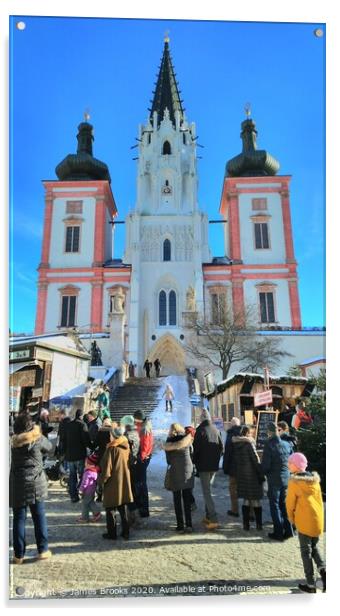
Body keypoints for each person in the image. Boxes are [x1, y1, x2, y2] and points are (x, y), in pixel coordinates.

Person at [10, 412, 53, 564]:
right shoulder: (38, 438)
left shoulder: (13, 442)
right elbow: (50, 447)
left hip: (18, 483)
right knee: (39, 516)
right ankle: (42, 550)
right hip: (36, 483)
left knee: (19, 519)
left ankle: (18, 555)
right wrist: (38, 431)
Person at [286, 452, 326, 593]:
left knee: (305, 551)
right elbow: (319, 501)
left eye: (289, 463)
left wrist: (290, 517)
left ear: (296, 466)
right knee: (314, 547)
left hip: (303, 520)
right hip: (316, 519)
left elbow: (290, 503)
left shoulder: (294, 482)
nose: (287, 465)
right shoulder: (314, 480)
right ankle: (324, 571)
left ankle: (310, 584)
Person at [261, 421, 294, 541]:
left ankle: (278, 533)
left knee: (274, 505)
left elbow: (266, 466)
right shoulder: (286, 444)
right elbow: (291, 460)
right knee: (284, 505)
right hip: (286, 478)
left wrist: (261, 473)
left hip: (274, 479)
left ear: (269, 433)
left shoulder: (269, 445)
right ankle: (289, 530)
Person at [100, 426, 133, 540]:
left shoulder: (112, 449)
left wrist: (101, 482)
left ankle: (112, 533)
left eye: (110, 435)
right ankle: (126, 532)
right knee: (123, 508)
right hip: (124, 481)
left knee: (110, 509)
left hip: (113, 483)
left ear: (113, 436)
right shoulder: (126, 446)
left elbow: (107, 470)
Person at [192, 409, 224, 530]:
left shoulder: (200, 431)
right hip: (213, 466)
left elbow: (196, 450)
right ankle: (208, 516)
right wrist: (216, 459)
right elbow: (222, 448)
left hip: (203, 466)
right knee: (208, 490)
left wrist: (195, 462)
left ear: (201, 419)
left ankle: (214, 519)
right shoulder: (216, 430)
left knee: (207, 493)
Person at [163, 423, 195, 533]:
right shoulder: (187, 440)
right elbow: (192, 454)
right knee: (187, 499)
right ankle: (189, 525)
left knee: (177, 500)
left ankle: (180, 525)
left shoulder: (169, 443)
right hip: (187, 471)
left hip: (175, 472)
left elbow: (168, 461)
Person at [232, 425, 265, 530]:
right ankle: (259, 525)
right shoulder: (249, 444)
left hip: (242, 475)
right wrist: (261, 473)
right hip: (252, 475)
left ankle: (246, 525)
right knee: (255, 500)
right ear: (247, 433)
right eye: (251, 432)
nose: (253, 434)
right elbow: (256, 460)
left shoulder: (236, 444)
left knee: (246, 499)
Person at [64, 408, 91, 503]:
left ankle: (73, 496)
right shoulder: (82, 425)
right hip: (80, 455)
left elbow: (64, 439)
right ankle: (83, 494)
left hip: (69, 455)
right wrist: (91, 446)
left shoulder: (68, 425)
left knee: (72, 476)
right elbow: (86, 440)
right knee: (82, 475)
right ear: (81, 416)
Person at [120, 415, 140, 526]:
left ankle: (133, 517)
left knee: (129, 491)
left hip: (129, 466)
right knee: (132, 491)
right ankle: (133, 516)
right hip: (134, 464)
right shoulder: (135, 433)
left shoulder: (127, 435)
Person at [133, 410, 154, 517]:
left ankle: (143, 509)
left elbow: (145, 446)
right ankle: (140, 506)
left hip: (143, 458)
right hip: (143, 457)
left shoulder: (145, 429)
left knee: (141, 483)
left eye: (135, 419)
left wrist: (140, 458)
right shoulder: (142, 425)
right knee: (139, 482)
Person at [223, 417, 242, 517]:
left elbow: (228, 452)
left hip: (233, 466)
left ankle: (235, 510)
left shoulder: (230, 434)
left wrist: (225, 467)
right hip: (244, 466)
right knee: (247, 488)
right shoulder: (244, 432)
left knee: (233, 489)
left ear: (231, 424)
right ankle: (251, 513)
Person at [93, 417, 115, 503]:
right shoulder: (113, 432)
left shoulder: (100, 431)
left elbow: (95, 444)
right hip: (110, 457)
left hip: (101, 457)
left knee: (101, 476)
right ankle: (109, 495)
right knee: (109, 476)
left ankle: (99, 496)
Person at [77, 452, 102, 523]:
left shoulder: (88, 472)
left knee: (85, 504)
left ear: (89, 464)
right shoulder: (94, 471)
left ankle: (85, 517)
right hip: (92, 490)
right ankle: (95, 514)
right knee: (90, 502)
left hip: (87, 491)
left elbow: (84, 483)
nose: (85, 463)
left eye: (86, 462)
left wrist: (81, 490)